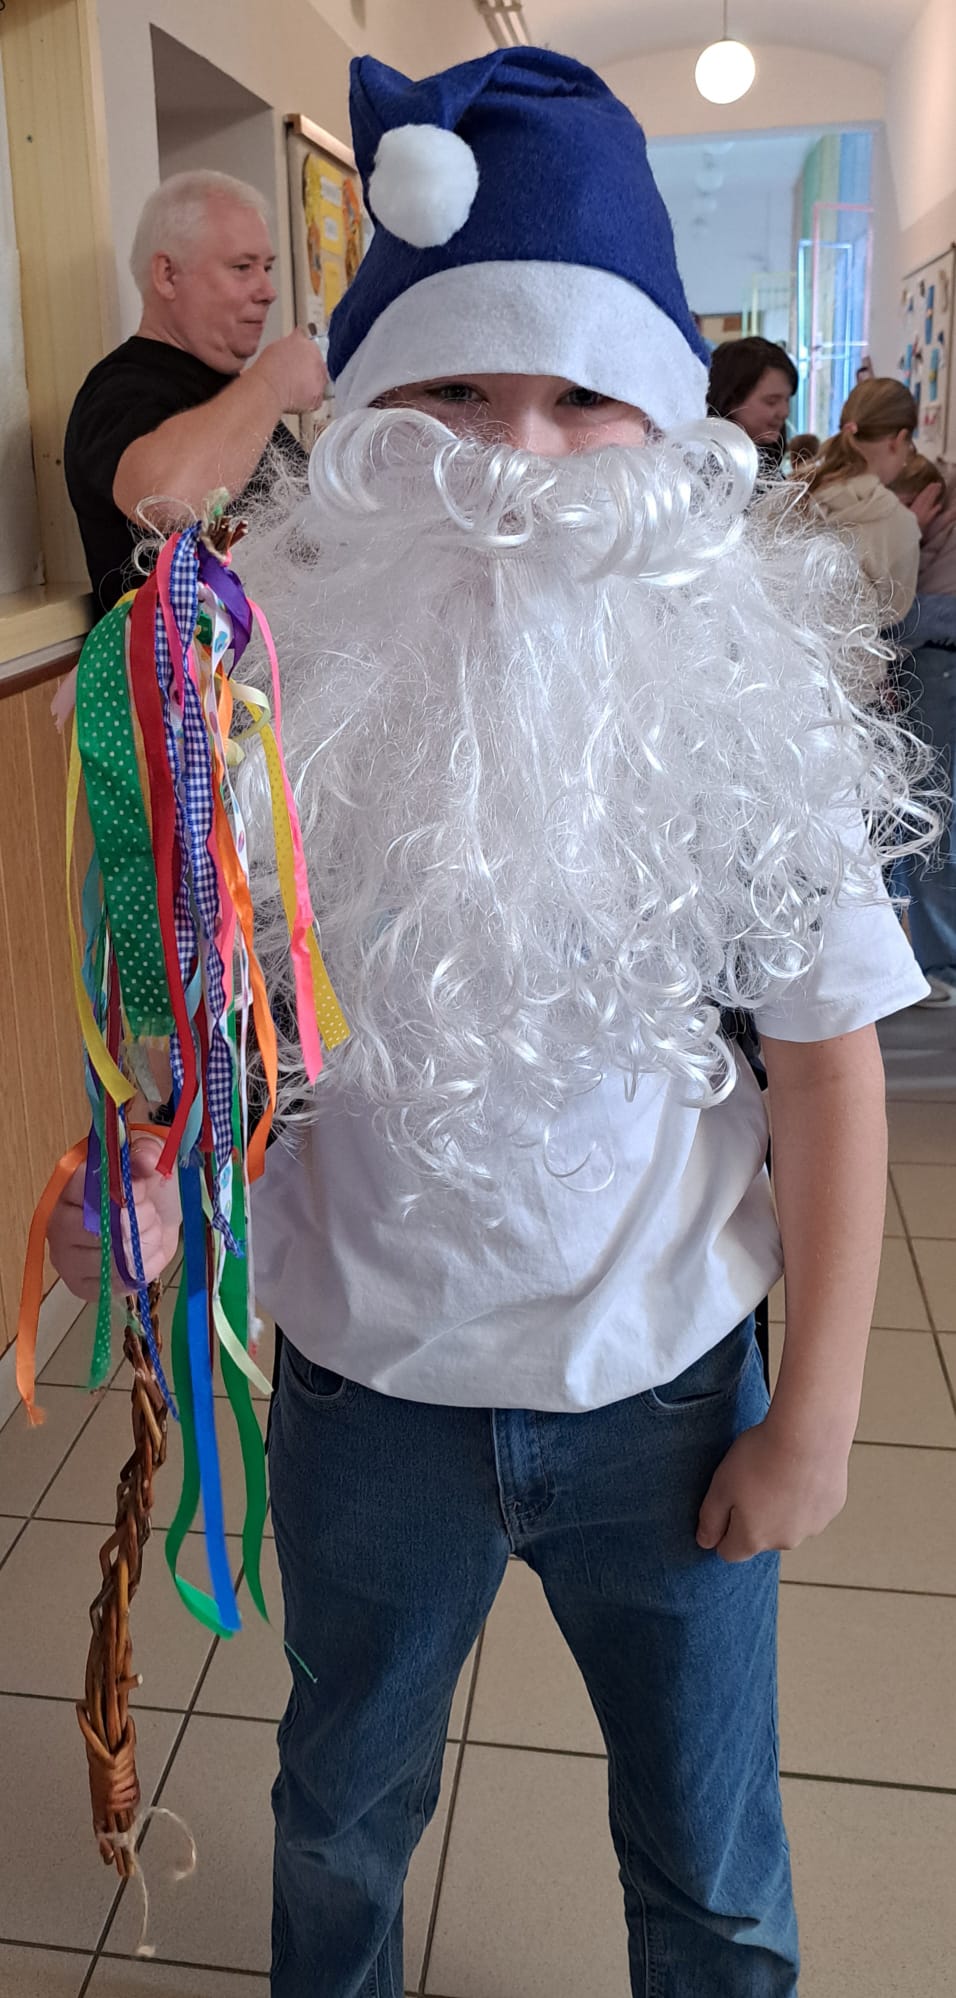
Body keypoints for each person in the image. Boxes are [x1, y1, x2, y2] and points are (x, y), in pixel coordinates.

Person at [48, 48, 933, 1998]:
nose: (514, 456)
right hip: (367, 1388)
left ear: (661, 425)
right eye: (452, 393)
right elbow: (210, 1009)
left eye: (577, 397)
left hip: (665, 1384)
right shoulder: (269, 684)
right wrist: (161, 1177)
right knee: (340, 1812)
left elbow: (825, 1060)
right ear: (366, 417)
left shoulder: (732, 707)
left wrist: (817, 1415)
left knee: (709, 1862)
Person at [64, 169, 327, 611]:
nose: (268, 291)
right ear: (168, 275)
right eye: (242, 267)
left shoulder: (234, 392)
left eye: (266, 268)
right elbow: (168, 501)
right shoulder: (118, 389)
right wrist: (274, 379)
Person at [891, 454, 956, 1001]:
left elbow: (902, 615)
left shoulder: (931, 529)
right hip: (925, 674)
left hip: (935, 672)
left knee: (931, 817)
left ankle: (942, 964)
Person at [803, 379, 923, 630]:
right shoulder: (901, 523)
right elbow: (893, 615)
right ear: (899, 440)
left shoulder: (796, 488)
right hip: (850, 651)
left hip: (774, 647)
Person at [707, 335, 798, 479]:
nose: (784, 412)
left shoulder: (767, 467)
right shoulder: (706, 473)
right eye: (771, 401)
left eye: (787, 400)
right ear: (730, 400)